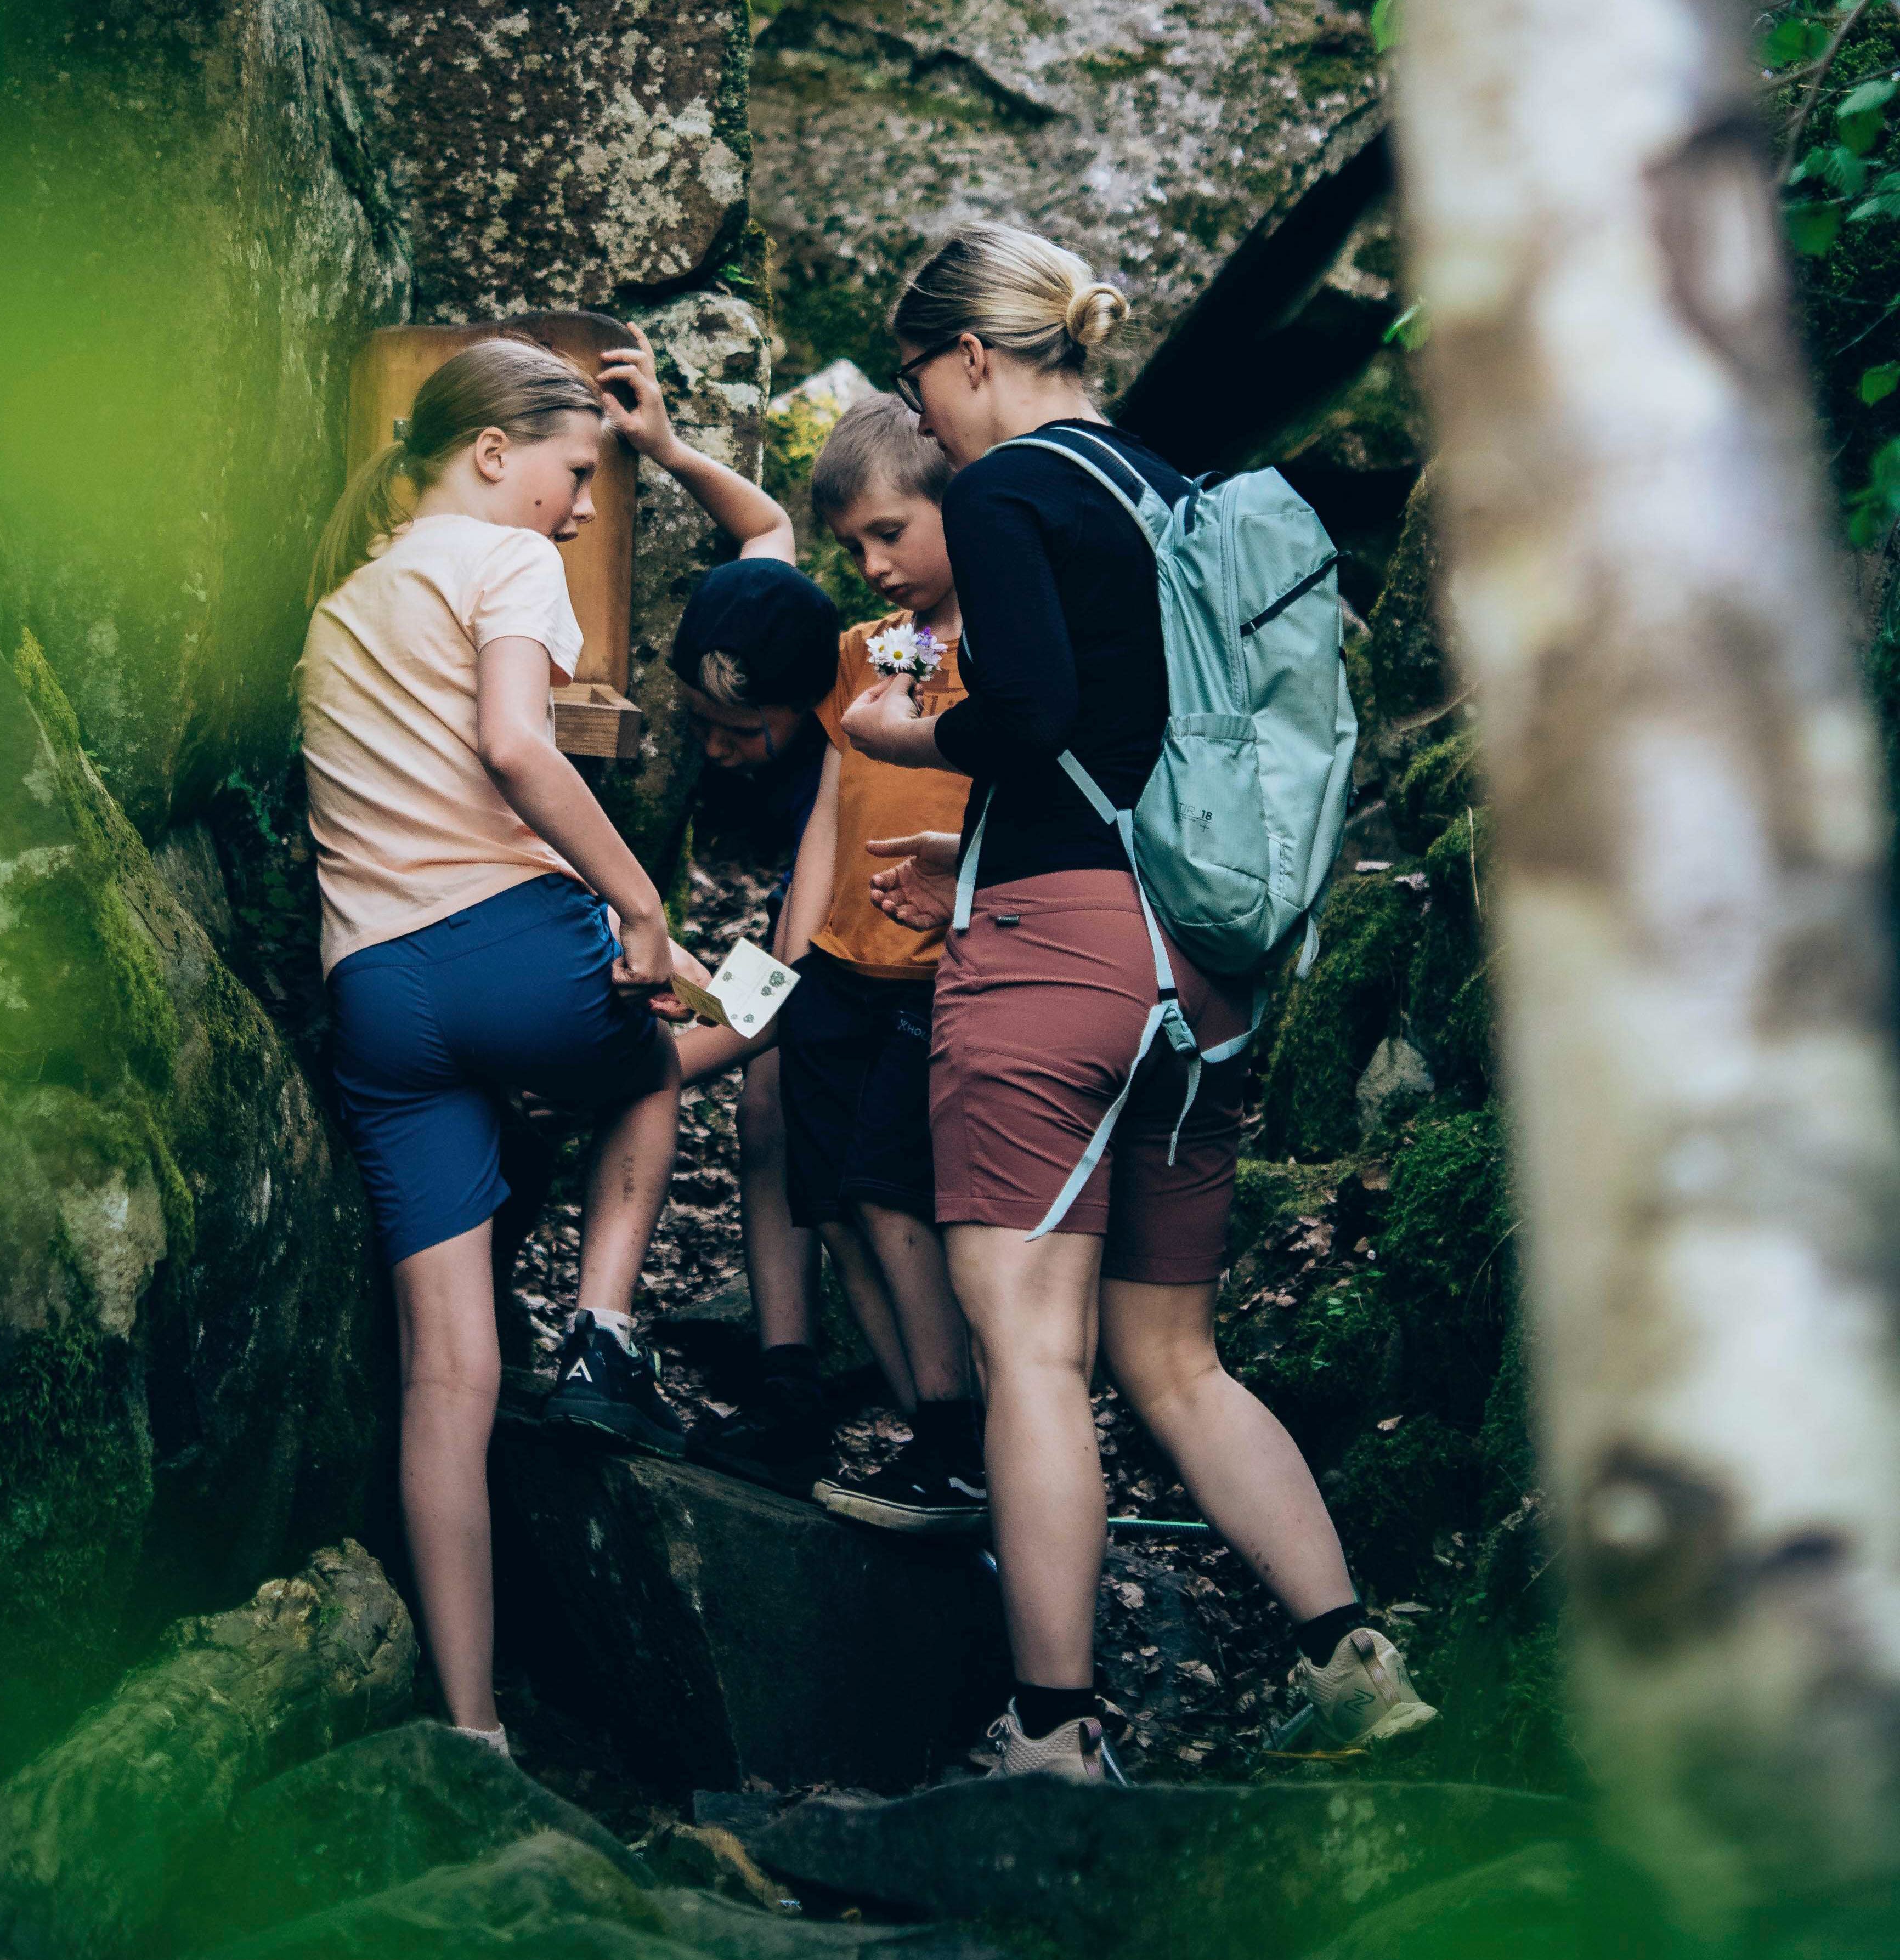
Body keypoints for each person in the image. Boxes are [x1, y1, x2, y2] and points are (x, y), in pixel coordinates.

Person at [843, 224, 1437, 1778]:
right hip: (1200, 973)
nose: (928, 418)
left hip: (1058, 967)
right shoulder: (1171, 492)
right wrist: (975, 843)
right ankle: (1351, 1660)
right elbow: (1128, 736)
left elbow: (1033, 709)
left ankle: (1052, 1731)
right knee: (1175, 1358)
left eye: (921, 378)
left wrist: (906, 739)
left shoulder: (1005, 489)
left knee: (1034, 1354)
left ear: (971, 355)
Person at [298, 337, 697, 1754]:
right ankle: (603, 1336)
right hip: (512, 949)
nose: (581, 509)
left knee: (446, 1372)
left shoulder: (341, 605)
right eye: (574, 473)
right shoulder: (507, 558)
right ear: (489, 454)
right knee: (655, 1066)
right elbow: (521, 747)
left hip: (378, 994)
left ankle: (470, 1727)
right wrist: (640, 907)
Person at [596, 330, 919, 1494]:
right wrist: (668, 449)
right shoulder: (776, 623)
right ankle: (790, 1370)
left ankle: (812, 1382)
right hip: (800, 912)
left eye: (743, 733)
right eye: (701, 727)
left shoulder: (854, 703)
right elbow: (765, 531)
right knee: (765, 1109)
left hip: (859, 913)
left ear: (804, 703)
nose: (721, 752)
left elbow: (775, 991)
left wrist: (637, 1069)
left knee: (778, 1100)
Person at [772, 395, 984, 1531]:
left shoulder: (1005, 649)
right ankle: (931, 1445)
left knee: (889, 1192)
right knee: (837, 1208)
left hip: (939, 975)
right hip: (838, 969)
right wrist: (789, 963)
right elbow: (830, 808)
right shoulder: (866, 651)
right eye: (854, 545)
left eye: (890, 533)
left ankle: (958, 1434)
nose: (872, 565)